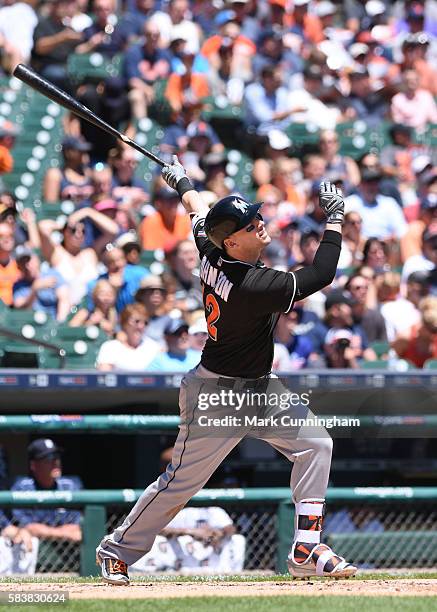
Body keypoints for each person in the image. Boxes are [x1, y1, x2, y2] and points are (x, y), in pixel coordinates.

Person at [96, 155, 357, 583]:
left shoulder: (210, 247)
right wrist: (335, 218)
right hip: (217, 394)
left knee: (316, 444)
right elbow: (323, 272)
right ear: (232, 243)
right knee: (181, 483)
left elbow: (198, 212)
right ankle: (116, 550)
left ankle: (306, 550)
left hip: (260, 387)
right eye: (249, 225)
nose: (258, 224)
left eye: (256, 218)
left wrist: (181, 180)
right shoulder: (253, 286)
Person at [12, 439, 82, 543]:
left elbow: (76, 529)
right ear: (33, 465)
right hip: (36, 550)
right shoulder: (22, 488)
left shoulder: (70, 485)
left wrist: (43, 531)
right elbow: (29, 528)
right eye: (48, 458)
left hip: (66, 549)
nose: (55, 462)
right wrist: (63, 533)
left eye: (56, 457)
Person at [96, 302, 160, 371]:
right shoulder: (110, 347)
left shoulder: (154, 348)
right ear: (124, 323)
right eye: (137, 321)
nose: (141, 326)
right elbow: (104, 376)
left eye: (145, 323)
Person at [13, 248, 70, 322]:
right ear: (18, 267)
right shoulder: (18, 286)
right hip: (30, 325)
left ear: (37, 260)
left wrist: (59, 324)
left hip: (54, 323)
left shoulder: (52, 274)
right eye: (22, 263)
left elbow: (64, 299)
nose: (27, 266)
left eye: (28, 260)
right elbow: (21, 309)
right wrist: (34, 289)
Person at [0, 220, 19, 305]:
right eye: (1, 236)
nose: (7, 239)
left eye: (10, 235)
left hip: (17, 311)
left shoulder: (21, 263)